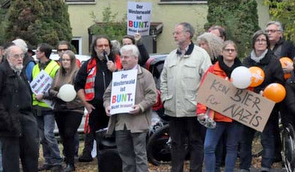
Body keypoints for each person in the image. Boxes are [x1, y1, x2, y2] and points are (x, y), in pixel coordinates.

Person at [160, 22, 211, 172]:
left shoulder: (201, 55)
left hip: (194, 109)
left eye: (177, 33)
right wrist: (165, 98)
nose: (174, 35)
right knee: (176, 143)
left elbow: (208, 80)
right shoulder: (170, 56)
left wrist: (202, 105)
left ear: (188, 35)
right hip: (173, 109)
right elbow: (163, 80)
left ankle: (195, 170)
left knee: (196, 142)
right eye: (174, 33)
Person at [103, 45, 157, 172]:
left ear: (135, 58)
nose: (123, 60)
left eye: (126, 57)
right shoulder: (118, 75)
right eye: (121, 57)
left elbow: (152, 96)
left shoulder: (145, 75)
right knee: (126, 158)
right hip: (121, 124)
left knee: (140, 156)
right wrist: (107, 106)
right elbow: (107, 95)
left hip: (138, 123)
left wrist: (140, 107)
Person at [0, 45, 39, 172]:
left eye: (21, 56)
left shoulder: (20, 71)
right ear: (8, 57)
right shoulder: (1, 72)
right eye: (16, 56)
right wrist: (4, 119)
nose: (20, 59)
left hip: (26, 120)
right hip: (9, 123)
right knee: (11, 161)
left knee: (31, 156)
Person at [239, 30, 284, 172]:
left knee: (267, 137)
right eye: (258, 40)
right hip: (248, 103)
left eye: (263, 40)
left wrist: (266, 90)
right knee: (246, 137)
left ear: (267, 44)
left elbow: (279, 81)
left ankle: (266, 166)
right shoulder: (246, 61)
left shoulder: (274, 61)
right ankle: (244, 166)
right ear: (253, 43)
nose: (260, 42)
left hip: (267, 104)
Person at [196, 40, 243, 172]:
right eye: (227, 50)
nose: (229, 52)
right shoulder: (212, 70)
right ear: (222, 52)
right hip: (215, 117)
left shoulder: (243, 71)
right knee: (208, 147)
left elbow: (248, 93)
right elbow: (203, 91)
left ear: (236, 53)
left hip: (235, 117)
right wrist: (201, 111)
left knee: (232, 147)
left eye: (232, 50)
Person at [75, 35, 121, 162]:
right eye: (100, 46)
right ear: (95, 48)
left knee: (114, 131)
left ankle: (114, 155)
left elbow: (126, 80)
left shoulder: (118, 62)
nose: (103, 48)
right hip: (94, 105)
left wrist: (115, 70)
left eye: (106, 45)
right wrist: (85, 103)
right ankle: (88, 153)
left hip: (114, 105)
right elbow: (78, 85)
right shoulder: (89, 64)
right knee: (91, 131)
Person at [43, 50, 83, 171]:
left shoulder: (77, 74)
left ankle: (71, 163)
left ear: (72, 61)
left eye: (67, 60)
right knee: (63, 136)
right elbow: (51, 90)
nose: (65, 62)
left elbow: (80, 91)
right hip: (60, 108)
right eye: (63, 60)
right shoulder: (58, 73)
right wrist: (59, 94)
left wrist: (70, 96)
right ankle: (67, 159)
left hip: (74, 108)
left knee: (69, 133)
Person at [31, 43, 62, 171]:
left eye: (37, 51)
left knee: (49, 134)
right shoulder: (35, 67)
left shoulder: (55, 67)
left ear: (43, 53)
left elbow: (57, 88)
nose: (36, 53)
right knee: (42, 137)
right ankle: (48, 160)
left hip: (49, 106)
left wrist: (44, 95)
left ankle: (57, 161)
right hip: (37, 106)